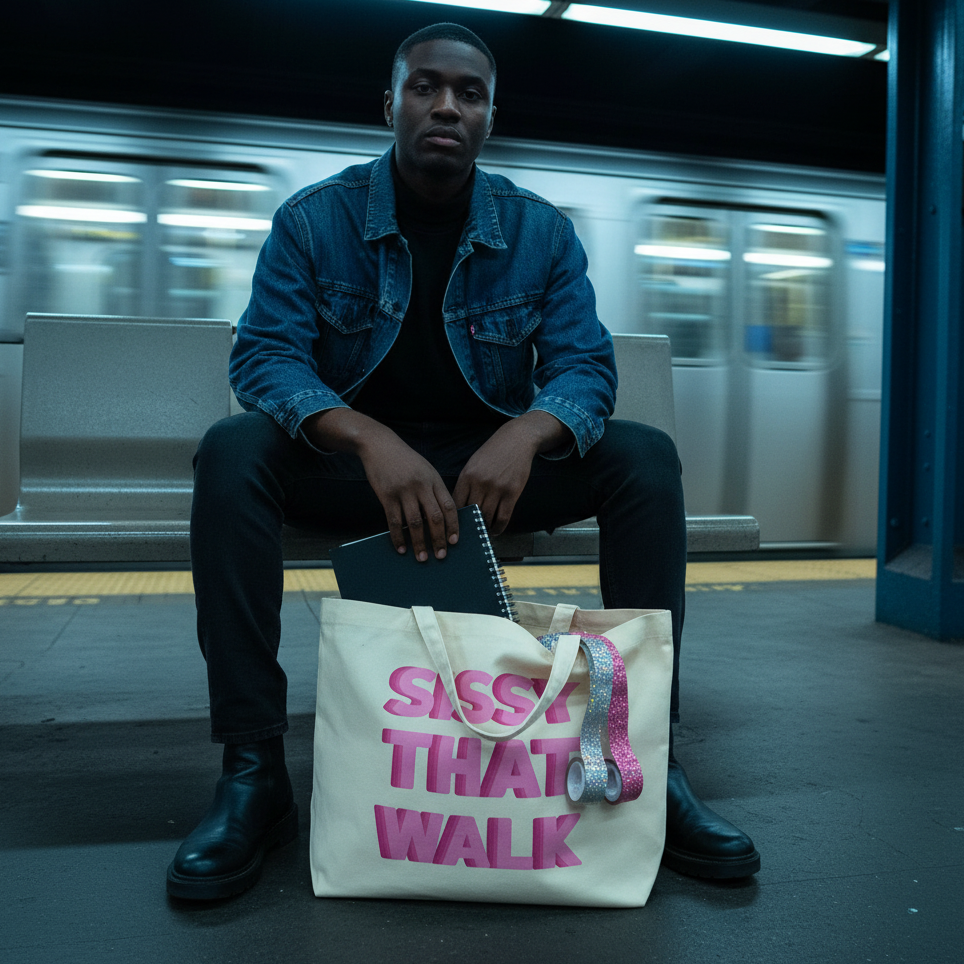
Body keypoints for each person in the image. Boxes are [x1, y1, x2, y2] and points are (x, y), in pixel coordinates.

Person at [166, 22, 760, 901]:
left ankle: (643, 763)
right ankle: (254, 771)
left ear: (488, 117)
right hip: (359, 473)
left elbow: (585, 368)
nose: (446, 105)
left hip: (494, 479)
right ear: (391, 104)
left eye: (469, 93)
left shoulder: (538, 232)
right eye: (425, 87)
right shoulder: (313, 222)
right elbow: (264, 359)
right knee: (232, 450)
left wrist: (528, 434)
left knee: (644, 458)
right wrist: (368, 437)